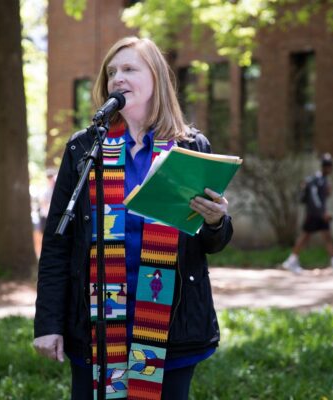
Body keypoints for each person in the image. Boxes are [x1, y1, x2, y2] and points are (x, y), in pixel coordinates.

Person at [33, 36, 233, 400]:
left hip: (169, 326)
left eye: (129, 69)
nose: (117, 78)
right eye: (112, 72)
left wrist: (217, 220)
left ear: (155, 77)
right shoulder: (84, 148)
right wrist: (48, 323)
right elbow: (58, 243)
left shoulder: (189, 147)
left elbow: (211, 242)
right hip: (96, 326)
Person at [282, 153, 333, 274]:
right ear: (326, 167)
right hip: (314, 214)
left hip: (320, 214)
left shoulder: (324, 180)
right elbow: (315, 198)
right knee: (305, 237)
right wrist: (322, 212)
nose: (331, 169)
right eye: (330, 167)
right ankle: (291, 260)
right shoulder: (316, 180)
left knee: (327, 237)